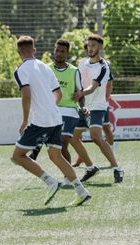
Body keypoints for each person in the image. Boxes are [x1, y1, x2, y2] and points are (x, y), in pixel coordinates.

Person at [11, 36, 91, 206]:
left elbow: (26, 95)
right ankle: (81, 191)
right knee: (56, 155)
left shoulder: (20, 70)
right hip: (56, 117)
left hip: (40, 120)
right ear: (34, 50)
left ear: (19, 53)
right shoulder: (44, 67)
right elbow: (59, 94)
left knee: (17, 156)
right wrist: (49, 107)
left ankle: (50, 182)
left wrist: (25, 121)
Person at [28, 39, 100, 184]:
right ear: (54, 51)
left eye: (63, 51)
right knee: (55, 149)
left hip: (69, 111)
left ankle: (68, 178)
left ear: (67, 54)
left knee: (62, 143)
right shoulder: (45, 69)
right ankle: (38, 147)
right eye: (57, 50)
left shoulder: (74, 71)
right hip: (51, 110)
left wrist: (82, 106)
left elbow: (79, 93)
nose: (59, 53)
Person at [74, 34, 124, 183]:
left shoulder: (104, 66)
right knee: (72, 137)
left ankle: (117, 168)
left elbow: (93, 86)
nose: (90, 48)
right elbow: (78, 82)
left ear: (100, 47)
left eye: (93, 46)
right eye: (88, 45)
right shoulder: (81, 63)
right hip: (83, 106)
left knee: (96, 135)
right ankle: (90, 167)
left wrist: (81, 93)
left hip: (98, 106)